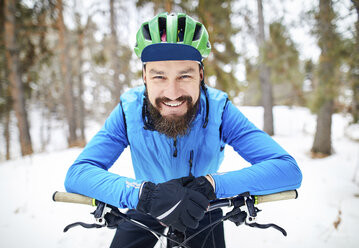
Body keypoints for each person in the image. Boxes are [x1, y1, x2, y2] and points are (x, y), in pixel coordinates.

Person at [64, 12, 302, 248]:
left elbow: (287, 169)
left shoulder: (219, 110)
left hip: (203, 205)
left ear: (200, 75)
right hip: (147, 203)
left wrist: (212, 185)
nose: (172, 93)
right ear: (144, 77)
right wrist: (144, 194)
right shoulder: (129, 110)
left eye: (184, 75)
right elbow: (78, 174)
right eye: (159, 76)